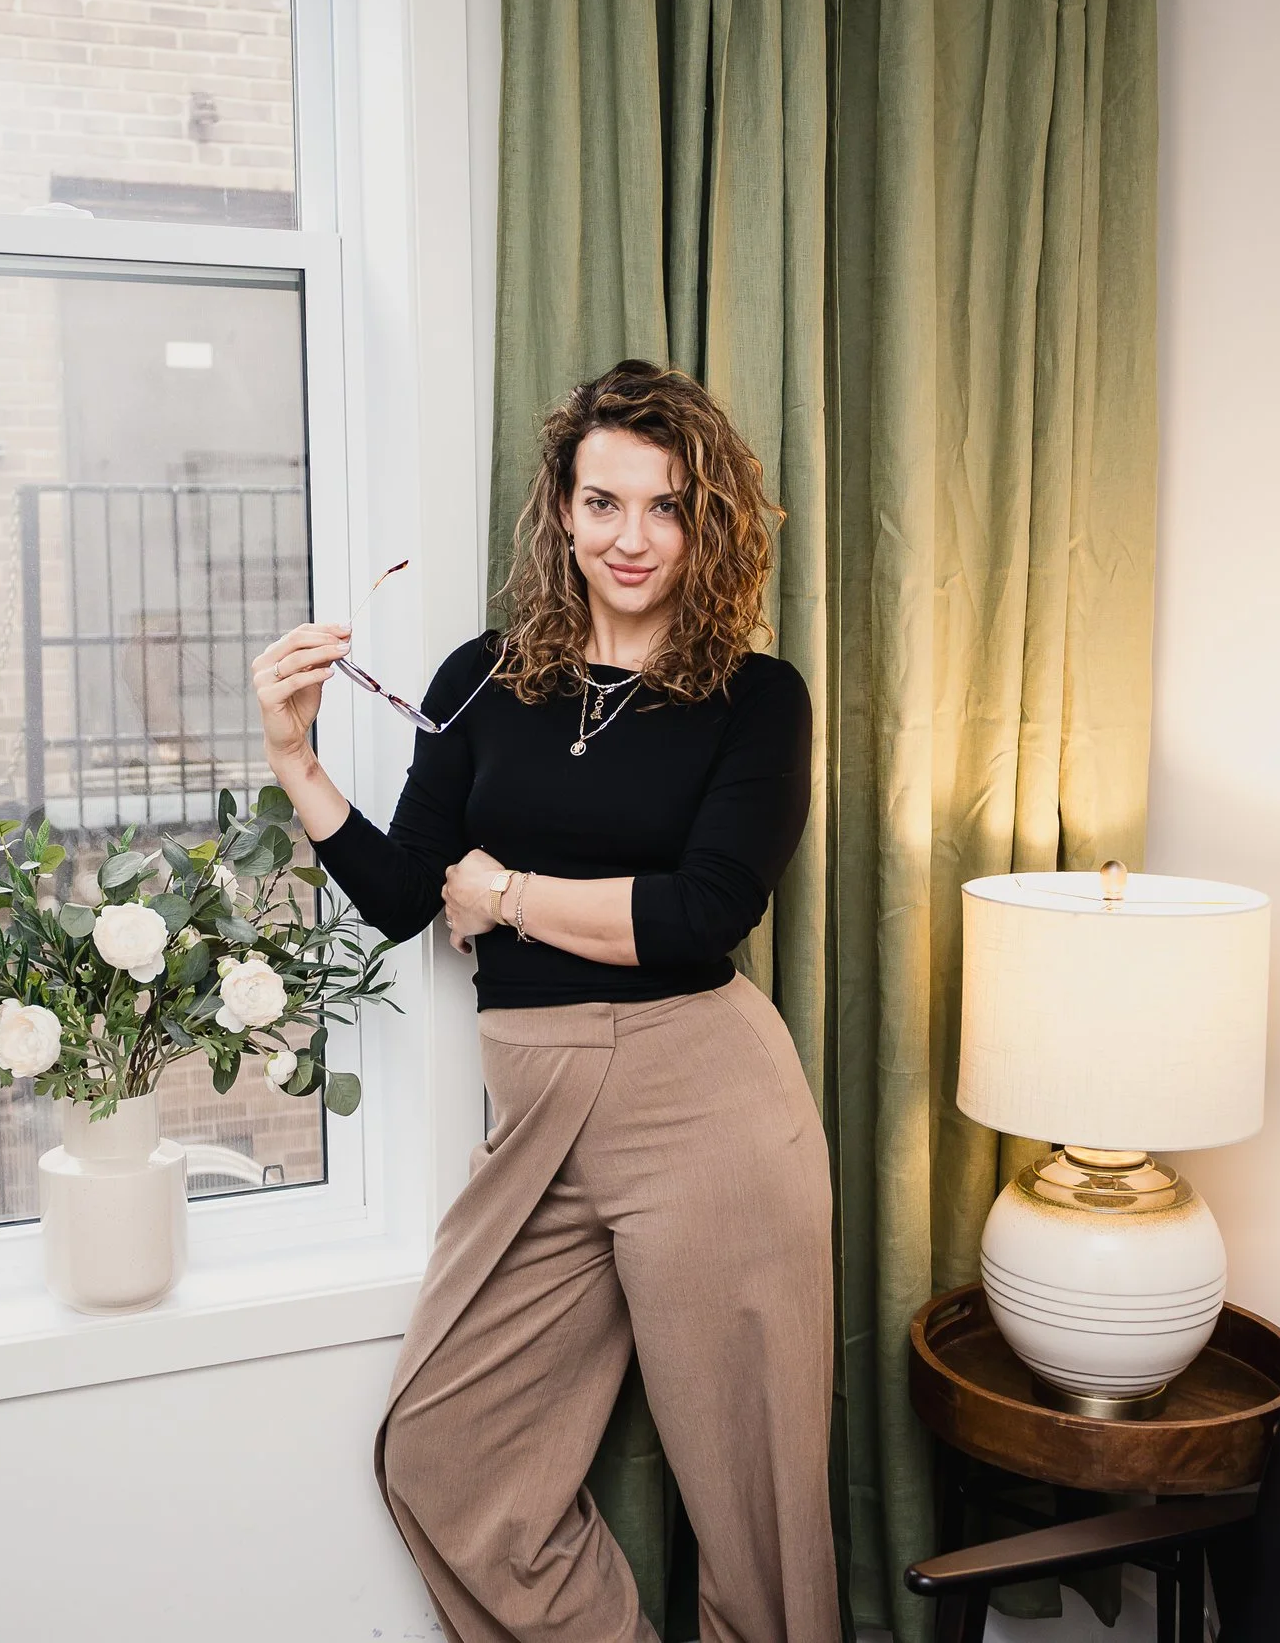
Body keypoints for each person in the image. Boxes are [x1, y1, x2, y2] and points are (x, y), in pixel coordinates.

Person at [250, 360, 832, 1643]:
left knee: (756, 1516)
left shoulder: (755, 698)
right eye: (604, 502)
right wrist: (297, 756)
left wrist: (505, 892)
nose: (632, 538)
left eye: (666, 507)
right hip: (537, 1117)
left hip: (707, 1106)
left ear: (707, 521)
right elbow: (407, 893)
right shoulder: (484, 675)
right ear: (560, 511)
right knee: (443, 1457)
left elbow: (698, 917)